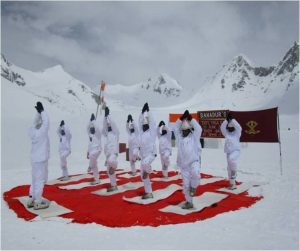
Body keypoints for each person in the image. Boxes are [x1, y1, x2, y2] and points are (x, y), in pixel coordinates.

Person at [173, 110, 202, 209]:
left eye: (186, 130)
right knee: (186, 185)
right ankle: (189, 202)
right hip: (183, 165)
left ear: (189, 130)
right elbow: (175, 128)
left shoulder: (194, 137)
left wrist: (190, 119)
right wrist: (180, 119)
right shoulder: (179, 138)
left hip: (194, 161)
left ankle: (193, 187)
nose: (184, 132)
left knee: (195, 174)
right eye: (183, 130)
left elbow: (199, 129)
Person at [27, 101, 50, 210]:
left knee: (34, 179)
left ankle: (31, 198)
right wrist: (43, 111)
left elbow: (34, 123)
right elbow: (46, 122)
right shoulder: (42, 133)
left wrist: (38, 113)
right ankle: (38, 201)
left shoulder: (33, 132)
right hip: (41, 159)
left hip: (34, 159)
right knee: (40, 180)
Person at [138, 103, 157, 199]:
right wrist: (142, 113)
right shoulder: (141, 134)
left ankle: (149, 169)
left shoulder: (151, 132)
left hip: (151, 154)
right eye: (143, 125)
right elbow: (139, 122)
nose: (144, 126)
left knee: (145, 166)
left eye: (146, 125)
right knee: (143, 176)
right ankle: (148, 193)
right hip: (144, 157)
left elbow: (153, 123)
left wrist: (148, 112)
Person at [220, 112, 242, 190]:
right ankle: (232, 184)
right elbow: (222, 127)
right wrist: (226, 120)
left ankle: (234, 172)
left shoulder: (237, 133)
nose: (230, 129)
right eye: (229, 128)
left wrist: (232, 120)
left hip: (236, 151)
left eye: (231, 128)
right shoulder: (227, 134)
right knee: (229, 167)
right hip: (228, 152)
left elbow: (239, 127)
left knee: (232, 160)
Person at [102, 107, 119, 192]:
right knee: (109, 171)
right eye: (108, 125)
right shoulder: (107, 134)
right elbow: (104, 127)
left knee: (112, 163)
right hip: (108, 155)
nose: (109, 126)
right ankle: (114, 185)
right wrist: (105, 117)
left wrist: (108, 115)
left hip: (113, 154)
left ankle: (115, 166)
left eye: (110, 125)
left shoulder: (115, 133)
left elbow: (113, 124)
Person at [87, 113, 102, 185]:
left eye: (93, 128)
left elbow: (98, 128)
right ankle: (97, 179)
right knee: (94, 166)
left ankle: (90, 166)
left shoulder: (97, 134)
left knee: (92, 156)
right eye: (91, 128)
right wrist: (90, 121)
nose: (92, 129)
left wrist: (94, 121)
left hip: (97, 150)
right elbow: (87, 128)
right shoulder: (90, 135)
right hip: (92, 151)